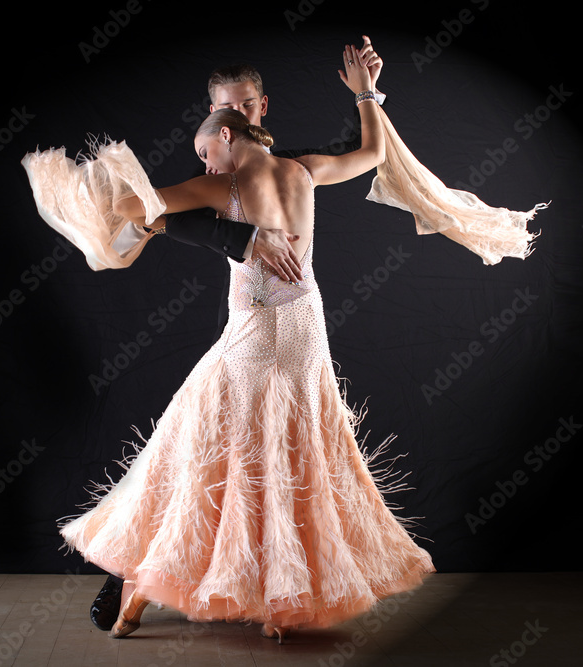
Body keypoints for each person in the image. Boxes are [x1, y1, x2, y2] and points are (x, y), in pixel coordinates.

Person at [39, 43, 436, 642]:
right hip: (306, 329)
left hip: (255, 338)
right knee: (291, 454)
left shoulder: (217, 184)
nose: (207, 162)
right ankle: (282, 600)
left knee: (193, 455)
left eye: (206, 151)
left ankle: (137, 598)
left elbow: (134, 209)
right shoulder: (303, 169)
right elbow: (376, 152)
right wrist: (365, 92)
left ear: (227, 132)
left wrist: (181, 217)